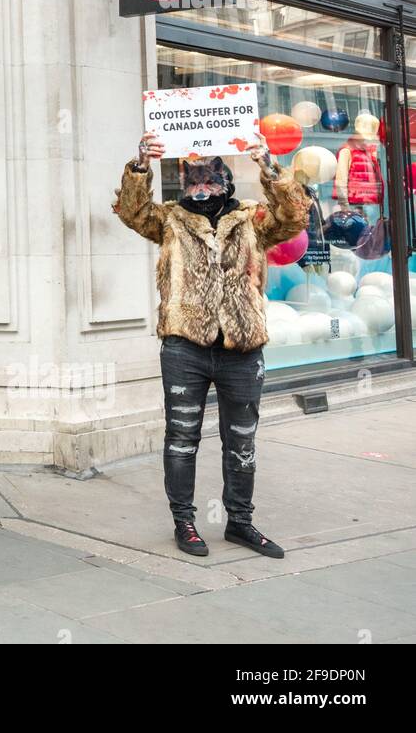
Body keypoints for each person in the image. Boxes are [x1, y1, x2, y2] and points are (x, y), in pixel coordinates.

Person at [114, 132, 310, 560]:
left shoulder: (252, 219)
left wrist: (267, 163)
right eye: (193, 182)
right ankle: (184, 521)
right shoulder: (169, 220)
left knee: (242, 439)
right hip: (185, 348)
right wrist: (141, 165)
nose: (201, 190)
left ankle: (240, 522)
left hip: (242, 349)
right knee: (182, 438)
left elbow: (294, 216)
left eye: (210, 181)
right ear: (183, 185)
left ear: (225, 183)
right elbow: (131, 212)